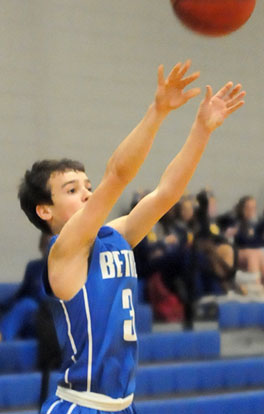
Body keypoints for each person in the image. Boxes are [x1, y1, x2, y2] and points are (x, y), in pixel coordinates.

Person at [18, 60, 245, 414]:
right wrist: (157, 112)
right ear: (44, 210)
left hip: (123, 406)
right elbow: (118, 176)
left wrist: (201, 130)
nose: (88, 194)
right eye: (72, 189)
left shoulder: (114, 235)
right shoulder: (64, 251)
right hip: (80, 407)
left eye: (88, 186)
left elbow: (167, 194)